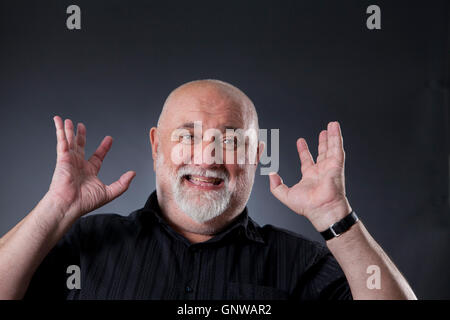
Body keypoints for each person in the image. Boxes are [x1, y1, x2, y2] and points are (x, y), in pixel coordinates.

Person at [0, 79, 416, 300]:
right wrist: (54, 209)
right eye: (188, 136)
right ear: (156, 146)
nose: (208, 156)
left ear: (256, 154)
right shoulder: (85, 245)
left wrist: (335, 217)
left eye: (232, 139)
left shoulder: (302, 265)